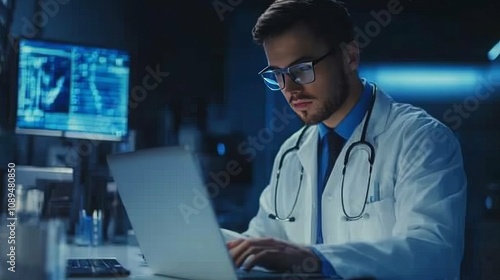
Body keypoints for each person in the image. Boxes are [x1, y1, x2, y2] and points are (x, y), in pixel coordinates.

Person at [226, 0, 467, 279]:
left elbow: (433, 254)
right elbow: (264, 241)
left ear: (349, 57)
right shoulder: (291, 152)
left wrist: (316, 258)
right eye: (277, 75)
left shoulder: (421, 139)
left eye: (302, 69)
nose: (289, 89)